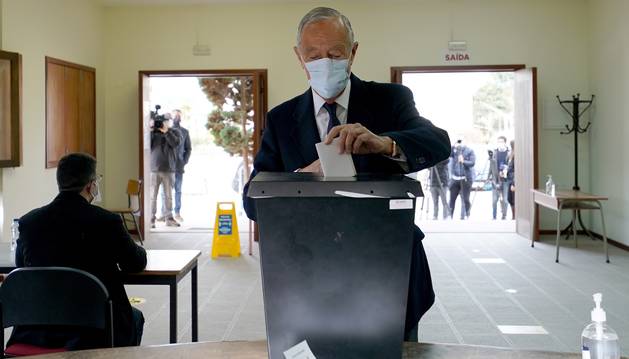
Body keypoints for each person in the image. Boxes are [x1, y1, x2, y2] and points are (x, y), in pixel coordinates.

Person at [242, 7, 451, 341]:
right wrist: (304, 175)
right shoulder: (281, 119)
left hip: (389, 270)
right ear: (300, 58)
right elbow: (253, 202)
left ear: (353, 52)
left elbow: (438, 143)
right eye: (314, 55)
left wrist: (384, 144)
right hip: (310, 277)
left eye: (335, 54)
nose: (325, 63)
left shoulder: (390, 100)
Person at [9, 153, 147, 350]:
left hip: (40, 327)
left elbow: (22, 267)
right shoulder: (107, 222)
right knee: (134, 317)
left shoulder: (29, 222)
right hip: (97, 328)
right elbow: (135, 263)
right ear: (91, 186)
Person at [159, 109, 191, 223]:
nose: (177, 117)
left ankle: (177, 213)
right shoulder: (165, 130)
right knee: (165, 191)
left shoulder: (185, 132)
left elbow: (188, 148)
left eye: (179, 115)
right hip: (167, 165)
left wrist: (184, 161)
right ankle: (165, 214)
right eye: (175, 115)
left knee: (178, 190)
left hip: (178, 166)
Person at [150, 112, 181, 228]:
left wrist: (166, 132)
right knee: (152, 196)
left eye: (166, 121)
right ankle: (151, 219)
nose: (164, 123)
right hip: (153, 169)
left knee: (168, 196)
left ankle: (169, 218)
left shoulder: (174, 132)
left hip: (169, 169)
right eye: (163, 122)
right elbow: (146, 144)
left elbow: (175, 143)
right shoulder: (152, 133)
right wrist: (150, 129)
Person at [448, 138, 475, 219]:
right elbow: (448, 153)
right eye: (458, 141)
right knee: (452, 199)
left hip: (465, 178)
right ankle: (450, 216)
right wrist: (454, 145)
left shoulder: (469, 151)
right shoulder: (455, 150)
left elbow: (472, 163)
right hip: (455, 178)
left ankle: (465, 215)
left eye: (461, 141)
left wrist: (463, 161)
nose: (460, 143)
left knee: (465, 199)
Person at [487, 136, 510, 220]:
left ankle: (504, 215)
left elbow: (511, 166)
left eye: (502, 141)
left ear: (505, 142)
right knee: (494, 200)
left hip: (505, 180)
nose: (500, 143)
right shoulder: (494, 153)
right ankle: (494, 216)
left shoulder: (509, 153)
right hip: (495, 179)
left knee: (505, 200)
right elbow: (491, 167)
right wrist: (488, 177)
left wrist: (506, 170)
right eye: (498, 141)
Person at [507, 140, 515, 219]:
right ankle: (513, 216)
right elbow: (509, 168)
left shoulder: (517, 155)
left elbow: (516, 171)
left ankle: (514, 217)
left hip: (514, 181)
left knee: (513, 200)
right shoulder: (510, 155)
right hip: (509, 180)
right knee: (510, 199)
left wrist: (514, 183)